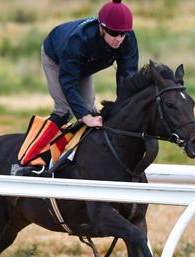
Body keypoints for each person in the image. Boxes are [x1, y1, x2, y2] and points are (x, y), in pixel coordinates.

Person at [13, 0, 139, 176]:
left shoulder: (128, 40)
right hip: (57, 57)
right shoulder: (79, 40)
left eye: (123, 34)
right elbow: (68, 81)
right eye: (114, 33)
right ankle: (26, 159)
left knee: (89, 110)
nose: (119, 38)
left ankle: (76, 156)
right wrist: (84, 116)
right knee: (65, 110)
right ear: (101, 28)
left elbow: (127, 77)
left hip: (84, 64)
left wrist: (124, 108)